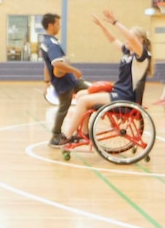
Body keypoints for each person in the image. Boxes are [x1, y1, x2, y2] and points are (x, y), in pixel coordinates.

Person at [61, 10, 153, 142]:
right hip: (118, 91)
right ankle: (85, 133)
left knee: (83, 101)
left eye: (130, 36)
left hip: (126, 96)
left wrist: (115, 22)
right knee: (81, 94)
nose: (127, 38)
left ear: (141, 40)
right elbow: (113, 40)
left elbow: (131, 38)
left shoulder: (142, 56)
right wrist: (102, 26)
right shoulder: (128, 52)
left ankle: (67, 135)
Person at [39, 13, 89, 147]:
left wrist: (47, 82)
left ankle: (85, 131)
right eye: (57, 24)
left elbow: (46, 64)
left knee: (90, 93)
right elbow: (56, 64)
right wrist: (75, 70)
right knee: (64, 108)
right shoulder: (52, 44)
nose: (59, 27)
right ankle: (55, 136)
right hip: (64, 82)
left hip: (69, 80)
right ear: (50, 25)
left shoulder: (46, 42)